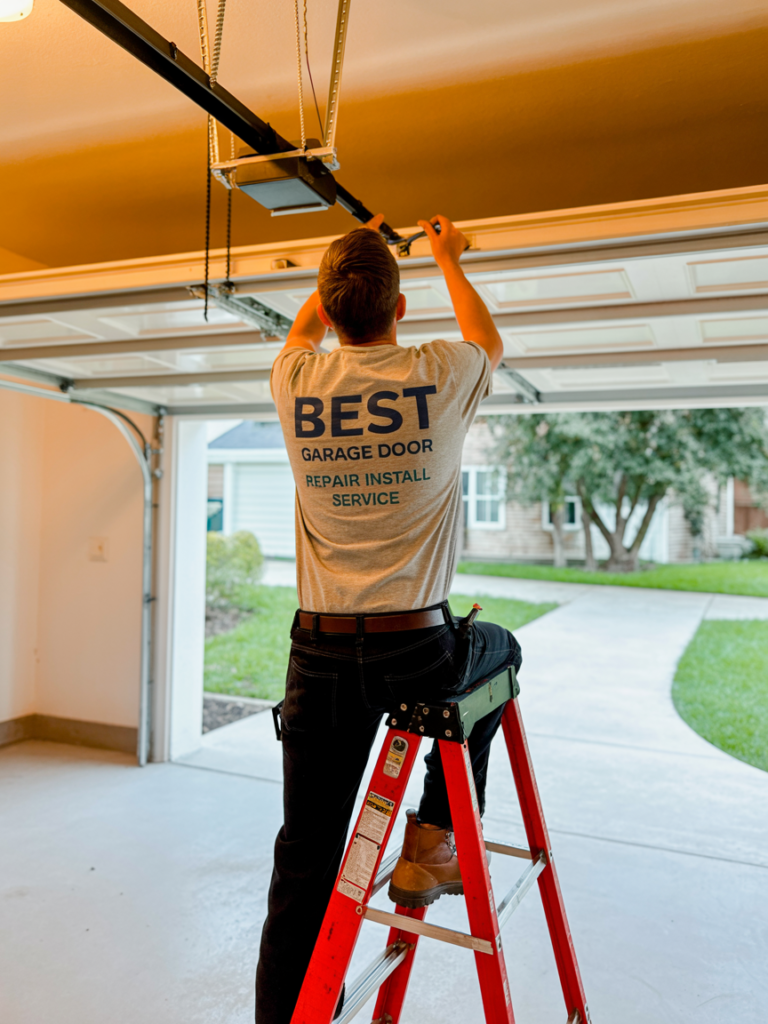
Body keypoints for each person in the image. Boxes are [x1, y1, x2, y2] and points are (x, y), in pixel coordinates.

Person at [255, 214, 522, 1024]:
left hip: (321, 652)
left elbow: (303, 328)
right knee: (500, 649)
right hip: (419, 652)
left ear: (330, 310)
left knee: (306, 855)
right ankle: (431, 840)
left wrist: (343, 269)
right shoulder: (439, 370)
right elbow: (489, 338)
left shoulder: (295, 377)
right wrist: (446, 256)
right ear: (400, 310)